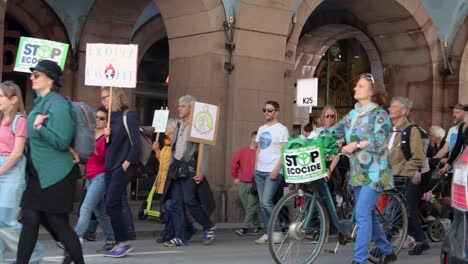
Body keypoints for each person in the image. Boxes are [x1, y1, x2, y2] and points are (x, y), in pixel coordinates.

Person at [321, 73, 395, 264]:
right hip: (358, 172)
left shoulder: (380, 114)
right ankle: (387, 250)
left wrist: (357, 145)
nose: (355, 88)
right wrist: (313, 138)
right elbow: (335, 130)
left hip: (375, 172)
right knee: (368, 213)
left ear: (372, 91)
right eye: (357, 86)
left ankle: (360, 260)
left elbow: (379, 142)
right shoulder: (354, 114)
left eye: (360, 86)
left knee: (362, 214)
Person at [16, 60, 84, 264]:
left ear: (50, 79)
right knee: (30, 220)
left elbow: (62, 141)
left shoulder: (59, 105)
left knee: (59, 224)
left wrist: (40, 128)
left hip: (57, 176)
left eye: (36, 74)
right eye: (32, 74)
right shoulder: (40, 103)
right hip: (38, 175)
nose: (31, 77)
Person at [162, 95, 216, 247]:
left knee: (189, 200)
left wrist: (201, 171)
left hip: (190, 167)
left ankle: (208, 225)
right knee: (176, 203)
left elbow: (204, 149)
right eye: (179, 105)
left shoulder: (198, 125)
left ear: (191, 108)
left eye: (183, 106)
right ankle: (179, 236)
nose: (179, 108)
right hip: (177, 167)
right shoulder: (179, 124)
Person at [0, 81, 43, 263]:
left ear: (14, 99)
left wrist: (0, 171)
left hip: (12, 173)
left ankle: (33, 252)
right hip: (2, 168)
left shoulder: (20, 120)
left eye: (2, 96)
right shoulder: (2, 120)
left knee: (6, 220)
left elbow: (17, 153)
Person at [387, 96, 430, 255]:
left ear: (404, 111)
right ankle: (416, 239)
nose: (389, 109)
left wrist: (411, 171)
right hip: (396, 177)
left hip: (413, 176)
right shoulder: (391, 130)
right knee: (401, 209)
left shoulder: (412, 130)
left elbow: (418, 156)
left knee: (404, 209)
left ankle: (388, 242)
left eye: (394, 106)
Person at [101, 87, 140, 257]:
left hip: (121, 166)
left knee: (112, 203)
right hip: (110, 166)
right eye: (101, 98)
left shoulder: (128, 115)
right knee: (111, 205)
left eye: (105, 97)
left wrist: (126, 163)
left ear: (114, 96)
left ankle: (122, 242)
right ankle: (120, 242)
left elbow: (136, 144)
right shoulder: (110, 119)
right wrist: (106, 136)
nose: (103, 101)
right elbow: (110, 147)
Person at [73, 107, 115, 253]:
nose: (98, 120)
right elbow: (86, 158)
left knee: (85, 208)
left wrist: (107, 139)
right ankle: (111, 240)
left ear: (107, 121)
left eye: (102, 118)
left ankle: (74, 238)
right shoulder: (91, 134)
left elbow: (104, 157)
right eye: (96, 117)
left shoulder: (107, 137)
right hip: (89, 178)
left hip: (100, 177)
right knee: (101, 213)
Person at [153, 118, 194, 244]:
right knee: (169, 207)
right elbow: (163, 162)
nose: (165, 131)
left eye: (167, 128)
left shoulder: (176, 145)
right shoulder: (166, 143)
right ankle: (179, 230)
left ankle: (176, 231)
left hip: (172, 180)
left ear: (173, 129)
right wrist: (157, 151)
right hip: (164, 181)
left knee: (169, 207)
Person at [254, 100, 289, 244]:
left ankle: (277, 231)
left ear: (276, 112)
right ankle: (268, 232)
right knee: (262, 204)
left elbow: (284, 151)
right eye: (264, 110)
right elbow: (258, 149)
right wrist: (255, 168)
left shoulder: (281, 129)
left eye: (270, 110)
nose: (266, 112)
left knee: (267, 202)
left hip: (273, 171)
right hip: (260, 171)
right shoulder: (261, 129)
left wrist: (276, 170)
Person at [435, 103, 468, 207]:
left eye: (457, 112)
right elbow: (457, 148)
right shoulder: (462, 127)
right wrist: (447, 165)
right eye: (454, 112)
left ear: (466, 113)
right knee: (453, 198)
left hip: (464, 166)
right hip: (460, 168)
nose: (454, 115)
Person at [230, 131, 261, 236]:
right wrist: (235, 177)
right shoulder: (242, 152)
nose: (258, 142)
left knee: (251, 207)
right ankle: (258, 226)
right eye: (256, 139)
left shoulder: (260, 153)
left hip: (255, 184)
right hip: (243, 183)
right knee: (248, 207)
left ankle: (244, 228)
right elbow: (233, 164)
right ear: (252, 139)